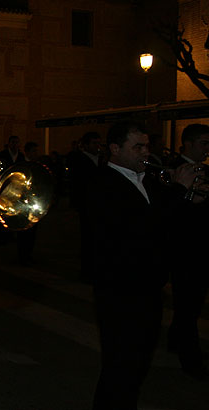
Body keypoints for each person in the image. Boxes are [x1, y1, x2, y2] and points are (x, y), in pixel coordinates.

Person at [86, 121, 199, 410]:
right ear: (114, 148)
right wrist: (177, 190)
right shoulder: (102, 183)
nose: (145, 152)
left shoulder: (148, 179)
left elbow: (168, 223)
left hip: (149, 287)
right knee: (120, 366)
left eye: (146, 145)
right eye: (137, 146)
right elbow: (141, 227)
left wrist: (185, 196)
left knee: (138, 365)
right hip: (119, 290)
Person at [166, 123, 209, 379]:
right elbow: (169, 211)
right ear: (188, 144)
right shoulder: (172, 170)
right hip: (183, 247)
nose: (207, 149)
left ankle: (176, 340)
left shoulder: (206, 171)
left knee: (193, 300)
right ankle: (190, 358)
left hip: (202, 245)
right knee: (188, 304)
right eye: (204, 143)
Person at [66, 131, 101, 283]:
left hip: (98, 204)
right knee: (88, 238)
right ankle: (87, 271)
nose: (97, 147)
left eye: (98, 143)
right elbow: (78, 184)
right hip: (87, 204)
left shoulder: (100, 159)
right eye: (94, 143)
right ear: (86, 145)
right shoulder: (80, 159)